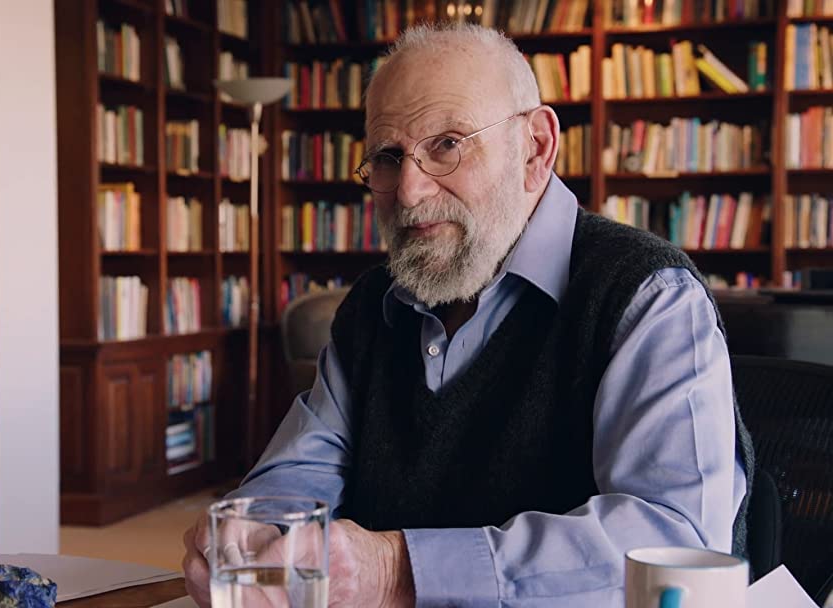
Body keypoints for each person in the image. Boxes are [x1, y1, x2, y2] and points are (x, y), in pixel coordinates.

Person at [183, 22, 753, 607]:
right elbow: (302, 470)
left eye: (447, 145)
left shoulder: (649, 297)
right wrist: (256, 538)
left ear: (535, 148)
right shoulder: (372, 308)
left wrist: (398, 571)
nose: (409, 191)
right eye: (387, 157)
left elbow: (677, 545)